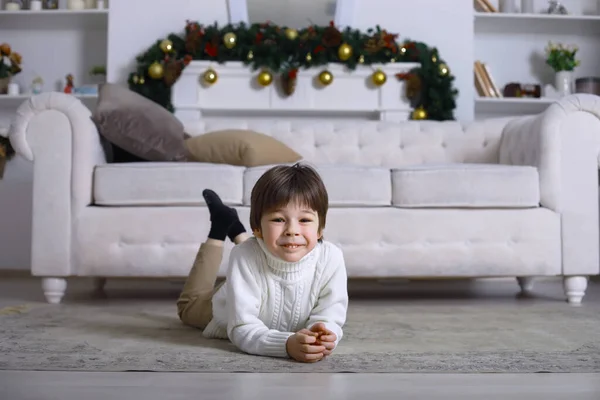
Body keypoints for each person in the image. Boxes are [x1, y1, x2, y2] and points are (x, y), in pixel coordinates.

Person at [176, 163, 348, 363]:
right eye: (278, 219)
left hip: (259, 266)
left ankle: (242, 233)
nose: (292, 230)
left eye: (305, 220)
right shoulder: (243, 257)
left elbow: (331, 316)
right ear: (256, 228)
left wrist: (322, 335)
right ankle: (219, 227)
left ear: (320, 229)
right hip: (227, 304)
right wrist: (286, 344)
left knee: (257, 251)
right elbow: (242, 327)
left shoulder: (331, 258)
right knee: (188, 307)